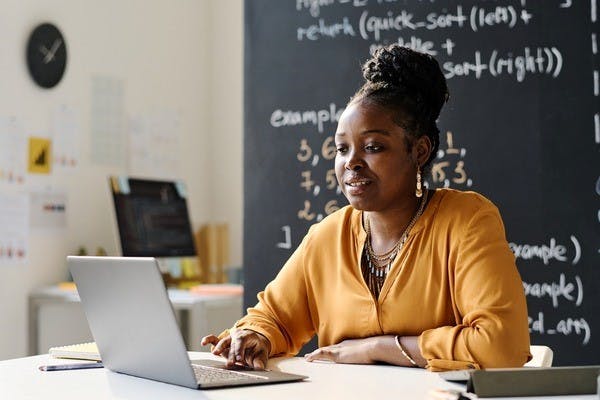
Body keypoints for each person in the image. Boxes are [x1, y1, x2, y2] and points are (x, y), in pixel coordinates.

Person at [202, 44, 531, 372]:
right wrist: (255, 336)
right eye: (342, 148)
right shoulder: (328, 236)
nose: (351, 163)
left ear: (419, 151)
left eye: (373, 147)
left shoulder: (466, 220)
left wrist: (378, 348)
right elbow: (273, 317)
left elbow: (501, 345)